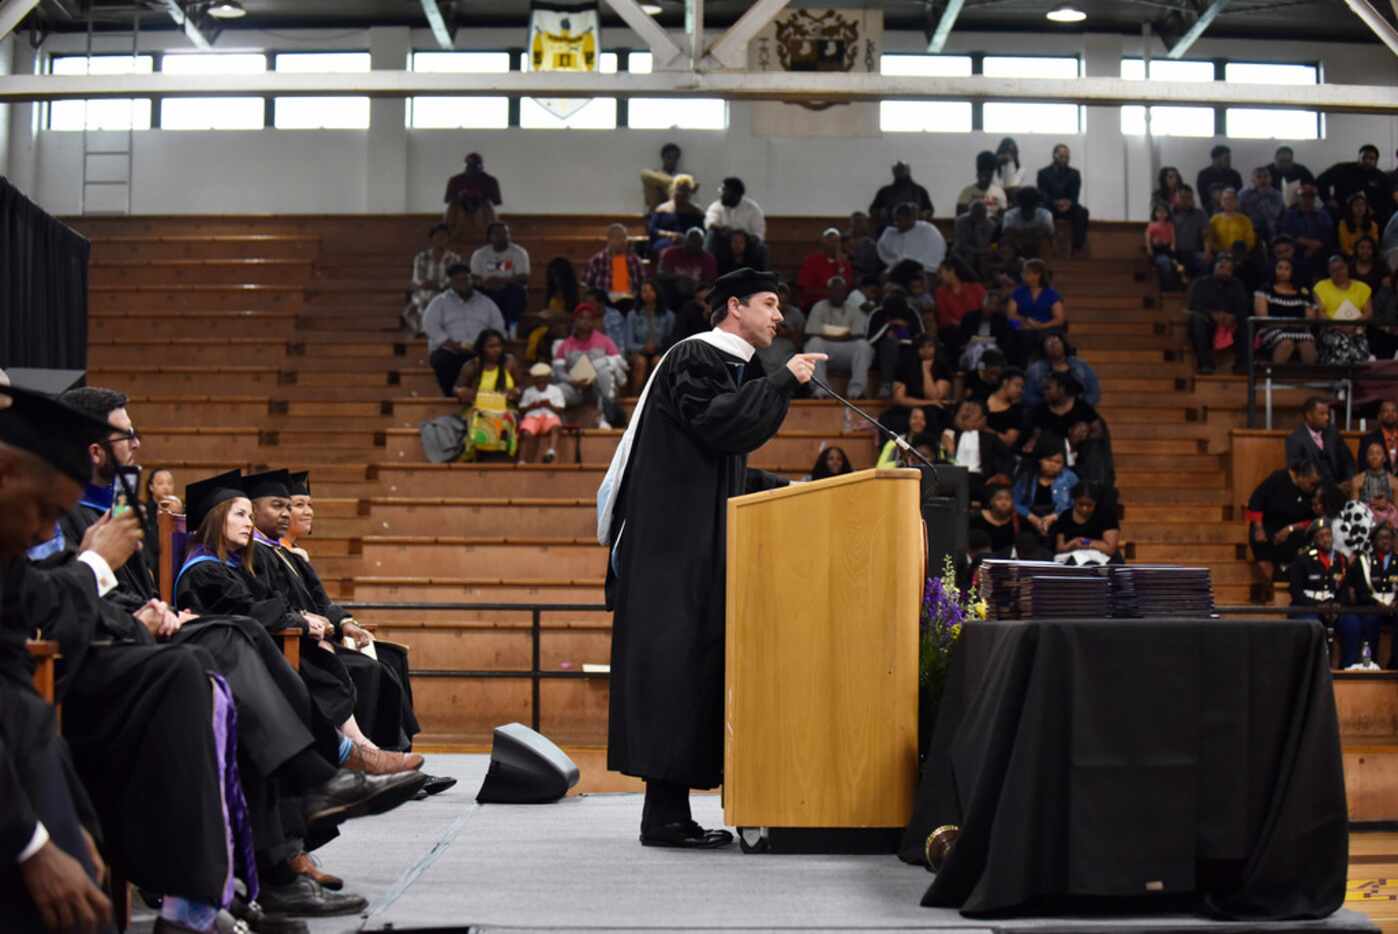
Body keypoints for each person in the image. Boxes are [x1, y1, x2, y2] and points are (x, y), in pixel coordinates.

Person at [597, 266, 826, 848]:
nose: (780, 316)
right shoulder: (696, 358)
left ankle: (673, 814)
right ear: (733, 307)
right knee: (674, 674)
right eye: (770, 304)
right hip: (669, 556)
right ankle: (665, 818)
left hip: (685, 549)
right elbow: (721, 426)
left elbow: (719, 468)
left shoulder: (724, 367)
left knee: (689, 673)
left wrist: (793, 487)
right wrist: (782, 382)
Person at [422, 264, 505, 398]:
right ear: (451, 282)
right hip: (450, 349)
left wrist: (484, 345)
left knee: (496, 359)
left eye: (465, 279)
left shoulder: (486, 302)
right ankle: (453, 398)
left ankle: (484, 398)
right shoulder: (439, 302)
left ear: (471, 280)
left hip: (480, 350)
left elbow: (498, 326)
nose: (462, 283)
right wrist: (451, 344)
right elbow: (430, 325)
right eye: (457, 280)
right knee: (441, 361)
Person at [1247, 458, 1322, 597]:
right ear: (1301, 476)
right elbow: (1256, 500)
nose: (1314, 487)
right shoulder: (1278, 478)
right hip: (1267, 526)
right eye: (1311, 483)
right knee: (1262, 546)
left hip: (1294, 531)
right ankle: (1272, 587)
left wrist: (1291, 528)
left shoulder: (1313, 494)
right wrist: (1258, 528)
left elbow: (1316, 519)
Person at [554, 303, 627, 429]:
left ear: (593, 321)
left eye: (589, 318)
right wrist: (572, 381)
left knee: (604, 370)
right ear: (575, 320)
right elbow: (558, 372)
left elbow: (620, 363)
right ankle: (557, 423)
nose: (585, 321)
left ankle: (605, 418)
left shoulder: (605, 341)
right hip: (575, 388)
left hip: (598, 387)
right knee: (556, 391)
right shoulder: (564, 345)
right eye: (581, 318)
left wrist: (599, 366)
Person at [452, 329, 522, 462]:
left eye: (499, 345)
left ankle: (502, 459)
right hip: (479, 406)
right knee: (482, 418)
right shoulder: (472, 365)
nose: (497, 350)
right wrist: (461, 392)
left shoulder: (510, 362)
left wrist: (515, 391)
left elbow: (522, 386)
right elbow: (456, 388)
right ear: (482, 348)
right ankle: (478, 455)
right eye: (491, 346)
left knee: (505, 419)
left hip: (505, 407)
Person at [804, 277, 873, 400]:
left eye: (841, 291)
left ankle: (856, 392)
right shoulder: (819, 307)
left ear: (845, 292)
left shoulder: (853, 309)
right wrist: (843, 335)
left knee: (863, 345)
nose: (838, 294)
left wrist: (831, 334)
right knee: (813, 343)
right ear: (828, 292)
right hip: (826, 350)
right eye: (834, 290)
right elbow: (811, 333)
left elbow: (858, 335)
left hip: (846, 351)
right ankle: (821, 391)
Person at [1340, 522, 1398, 668]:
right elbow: (1359, 590)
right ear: (1373, 541)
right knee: (1370, 620)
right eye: (1381, 538)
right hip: (1371, 607)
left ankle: (1395, 663)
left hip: (1394, 607)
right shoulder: (1363, 561)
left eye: (1389, 538)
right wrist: (1377, 604)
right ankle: (1370, 663)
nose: (1386, 541)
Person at [1012, 432, 1077, 559]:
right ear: (1040, 459)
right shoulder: (1027, 475)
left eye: (1058, 462)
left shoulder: (1070, 478)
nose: (1053, 465)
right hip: (1030, 524)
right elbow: (1015, 502)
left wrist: (1055, 516)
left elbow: (1074, 503)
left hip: (1058, 524)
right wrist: (1032, 518)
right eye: (1049, 460)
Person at [1185, 254, 1251, 375]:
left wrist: (1233, 316)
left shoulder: (1237, 285)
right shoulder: (1201, 283)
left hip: (1231, 324)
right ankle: (1205, 363)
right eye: (1221, 265)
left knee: (1246, 322)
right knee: (1197, 320)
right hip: (1208, 322)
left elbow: (1243, 306)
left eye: (1228, 266)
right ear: (1214, 267)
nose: (1224, 266)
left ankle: (1243, 364)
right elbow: (1195, 306)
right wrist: (1212, 315)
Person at [941, 398, 1015, 504]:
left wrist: (1000, 475)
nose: (967, 415)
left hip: (980, 479)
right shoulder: (950, 435)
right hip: (954, 475)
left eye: (973, 412)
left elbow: (1008, 457)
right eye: (966, 411)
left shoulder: (990, 438)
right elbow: (944, 459)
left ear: (983, 419)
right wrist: (950, 453)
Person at [1289, 523, 1352, 643]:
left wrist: (1338, 604)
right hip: (1307, 607)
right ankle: (1314, 662)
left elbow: (1344, 588)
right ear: (1314, 540)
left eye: (1328, 535)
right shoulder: (1303, 558)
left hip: (1332, 607)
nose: (1326, 539)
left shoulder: (1341, 559)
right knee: (1313, 627)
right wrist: (1316, 606)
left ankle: (1348, 662)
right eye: (1321, 536)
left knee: (1351, 623)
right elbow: (1295, 591)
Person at [885, 333, 953, 438]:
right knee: (888, 417)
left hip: (933, 410)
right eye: (922, 347)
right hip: (909, 407)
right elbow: (899, 399)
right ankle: (897, 451)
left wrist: (926, 370)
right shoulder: (904, 366)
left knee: (932, 415)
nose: (926, 350)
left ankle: (930, 449)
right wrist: (929, 403)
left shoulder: (942, 367)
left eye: (930, 346)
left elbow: (934, 396)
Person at [1255, 257, 1320, 365]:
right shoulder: (1265, 290)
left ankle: (1308, 379)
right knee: (1286, 342)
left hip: (1299, 329)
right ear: (1274, 270)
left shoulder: (1302, 292)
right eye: (1279, 268)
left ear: (1292, 271)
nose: (1282, 272)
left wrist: (1295, 325)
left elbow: (1310, 318)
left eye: (1286, 268)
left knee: (1307, 342)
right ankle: (1275, 378)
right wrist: (1287, 324)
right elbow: (1263, 318)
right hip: (1272, 329)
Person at [469, 223, 530, 333]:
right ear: (489, 236)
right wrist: (484, 283)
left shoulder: (519, 253)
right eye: (497, 233)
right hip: (486, 289)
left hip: (510, 289)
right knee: (475, 293)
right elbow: (474, 277)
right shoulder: (480, 254)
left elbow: (523, 277)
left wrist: (501, 280)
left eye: (505, 233)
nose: (503, 236)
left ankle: (511, 331)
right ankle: (482, 332)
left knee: (516, 292)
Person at [932, 255, 992, 365]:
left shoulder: (976, 288)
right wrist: (962, 324)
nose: (939, 276)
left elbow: (986, 311)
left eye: (942, 272)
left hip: (977, 328)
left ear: (952, 271)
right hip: (955, 331)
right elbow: (944, 318)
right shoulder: (940, 292)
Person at [1314, 254, 1374, 365]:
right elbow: (1320, 313)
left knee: (1358, 341)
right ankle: (1341, 376)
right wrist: (1340, 326)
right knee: (1340, 341)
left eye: (1341, 268)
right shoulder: (1321, 286)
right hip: (1331, 329)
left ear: (1347, 268)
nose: (1338, 272)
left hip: (1356, 328)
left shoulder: (1362, 287)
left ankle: (1357, 375)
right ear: (1329, 272)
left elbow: (1369, 313)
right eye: (1334, 270)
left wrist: (1353, 324)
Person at [1286, 396, 1358, 487]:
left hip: (1339, 487)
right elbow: (1297, 473)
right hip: (1312, 491)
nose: (1327, 417)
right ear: (1309, 416)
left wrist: (1349, 481)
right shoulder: (1295, 439)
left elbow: (1348, 461)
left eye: (1327, 413)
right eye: (1322, 414)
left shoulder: (1332, 432)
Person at [864, 292, 923, 399]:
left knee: (910, 351)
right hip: (881, 355)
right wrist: (888, 325)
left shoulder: (911, 313)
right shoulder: (878, 313)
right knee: (889, 343)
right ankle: (886, 385)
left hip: (907, 351)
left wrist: (903, 331)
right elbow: (870, 341)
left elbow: (921, 339)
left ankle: (913, 389)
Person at [404, 223, 460, 336]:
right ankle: (424, 331)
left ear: (448, 239)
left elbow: (453, 280)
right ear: (432, 238)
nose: (441, 239)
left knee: (435, 299)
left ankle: (427, 331)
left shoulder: (454, 258)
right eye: (438, 236)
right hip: (423, 292)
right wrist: (427, 284)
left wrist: (439, 286)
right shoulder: (421, 257)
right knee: (412, 309)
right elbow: (418, 279)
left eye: (444, 236)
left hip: (445, 293)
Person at [1317, 144, 1393, 227]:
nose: (1367, 161)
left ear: (1376, 161)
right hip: (1342, 214)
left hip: (1371, 218)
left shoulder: (1381, 178)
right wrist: (1328, 199)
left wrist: (1376, 211)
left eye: (1371, 158)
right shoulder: (1343, 169)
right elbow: (1321, 180)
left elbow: (1388, 200)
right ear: (1358, 157)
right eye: (1364, 157)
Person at [1006, 258, 1066, 361]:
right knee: (1013, 329)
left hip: (1046, 327)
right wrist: (1026, 321)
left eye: (1025, 272)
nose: (1022, 274)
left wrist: (1041, 326)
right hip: (1022, 324)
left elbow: (1059, 319)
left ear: (1037, 275)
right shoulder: (1017, 292)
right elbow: (1011, 315)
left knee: (1043, 337)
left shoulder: (1052, 294)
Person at [704, 177, 767, 272]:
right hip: (724, 242)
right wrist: (724, 230)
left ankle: (757, 281)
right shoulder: (716, 206)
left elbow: (759, 233)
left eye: (724, 190)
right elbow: (710, 222)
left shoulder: (752, 209)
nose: (721, 193)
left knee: (761, 247)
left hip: (746, 244)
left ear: (735, 194)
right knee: (711, 236)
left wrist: (743, 238)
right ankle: (711, 278)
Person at [1036, 143, 1089, 255]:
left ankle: (1077, 247)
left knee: (1083, 212)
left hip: (1068, 207)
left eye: (1067, 157)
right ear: (1054, 156)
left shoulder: (1074, 173)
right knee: (1041, 211)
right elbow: (1043, 195)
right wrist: (1056, 202)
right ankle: (1045, 247)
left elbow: (1075, 195)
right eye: (1062, 156)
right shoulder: (1043, 173)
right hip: (1051, 206)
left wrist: (1068, 203)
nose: (1065, 159)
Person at [625, 280, 676, 395]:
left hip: (660, 350)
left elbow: (670, 340)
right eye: (644, 291)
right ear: (640, 294)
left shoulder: (668, 315)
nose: (647, 294)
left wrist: (658, 349)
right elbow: (628, 343)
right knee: (640, 362)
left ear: (657, 293)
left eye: (651, 290)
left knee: (658, 361)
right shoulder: (633, 315)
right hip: (638, 351)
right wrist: (643, 348)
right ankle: (635, 398)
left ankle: (657, 399)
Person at [1023, 334, 1100, 408]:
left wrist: (1080, 407)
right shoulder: (1036, 369)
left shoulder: (1081, 365)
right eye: (1050, 344)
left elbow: (1093, 392)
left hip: (1079, 410)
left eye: (1056, 342)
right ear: (1043, 348)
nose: (1054, 346)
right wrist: (1048, 408)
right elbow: (1029, 396)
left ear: (1064, 344)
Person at [1280, 184, 1336, 285]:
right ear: (1298, 198)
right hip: (1296, 250)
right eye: (1304, 196)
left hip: (1320, 250)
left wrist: (1314, 247)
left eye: (1311, 197)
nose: (1307, 199)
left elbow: (1328, 234)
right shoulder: (1290, 214)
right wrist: (1306, 243)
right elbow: (1286, 234)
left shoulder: (1323, 214)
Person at [1053, 481, 1121, 564]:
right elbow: (1060, 548)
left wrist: (1087, 542)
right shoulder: (1065, 516)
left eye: (1089, 505)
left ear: (1095, 502)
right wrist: (1072, 544)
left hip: (1101, 559)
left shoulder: (1107, 515)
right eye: (1080, 504)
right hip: (1072, 559)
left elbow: (1110, 549)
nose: (1084, 509)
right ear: (1074, 500)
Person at [442, 152, 502, 243]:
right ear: (466, 166)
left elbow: (497, 201)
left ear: (481, 166)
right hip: (459, 210)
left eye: (475, 166)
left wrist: (481, 195)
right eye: (470, 166)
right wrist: (460, 195)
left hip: (483, 210)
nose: (472, 169)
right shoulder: (455, 180)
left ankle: (489, 236)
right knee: (453, 206)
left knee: (486, 204)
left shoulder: (490, 180)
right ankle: (449, 235)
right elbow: (447, 199)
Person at [583, 224, 644, 307]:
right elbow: (587, 288)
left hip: (628, 306)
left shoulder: (635, 261)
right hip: (602, 306)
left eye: (624, 237)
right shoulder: (596, 260)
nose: (622, 241)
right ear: (609, 239)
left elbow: (642, 287)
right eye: (618, 237)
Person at [657, 227, 718, 310]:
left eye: (696, 244)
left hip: (697, 293)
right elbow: (660, 273)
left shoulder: (708, 259)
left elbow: (711, 282)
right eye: (691, 242)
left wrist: (696, 285)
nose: (693, 246)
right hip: (674, 291)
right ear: (685, 241)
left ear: (702, 244)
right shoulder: (670, 253)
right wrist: (678, 277)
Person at [876, 202, 946, 273]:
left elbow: (932, 259)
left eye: (899, 220)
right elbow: (886, 255)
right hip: (898, 271)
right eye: (894, 220)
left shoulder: (928, 231)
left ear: (911, 218)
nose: (895, 223)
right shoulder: (890, 233)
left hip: (924, 271)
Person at [518, 363, 566, 464]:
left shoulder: (556, 390)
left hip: (549, 415)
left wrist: (549, 405)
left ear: (548, 378)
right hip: (533, 416)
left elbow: (561, 408)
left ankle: (551, 451)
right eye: (537, 379)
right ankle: (522, 460)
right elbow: (521, 408)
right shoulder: (528, 391)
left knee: (556, 426)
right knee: (526, 433)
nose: (540, 381)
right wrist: (532, 406)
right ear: (533, 379)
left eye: (543, 378)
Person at [647, 175, 705, 255]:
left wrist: (685, 238)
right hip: (664, 241)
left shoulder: (695, 212)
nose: (682, 193)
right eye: (679, 190)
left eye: (685, 191)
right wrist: (669, 234)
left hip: (688, 243)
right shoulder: (662, 209)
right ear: (673, 190)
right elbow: (652, 229)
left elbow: (701, 232)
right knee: (667, 249)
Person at [796, 228, 855, 308]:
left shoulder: (845, 264)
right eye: (830, 241)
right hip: (816, 304)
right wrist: (829, 294)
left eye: (836, 241)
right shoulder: (811, 261)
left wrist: (840, 264)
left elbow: (846, 287)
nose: (833, 245)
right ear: (823, 243)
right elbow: (805, 288)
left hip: (841, 305)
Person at [869, 161, 934, 232]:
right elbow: (873, 210)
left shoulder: (919, 191)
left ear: (908, 171)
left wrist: (923, 214)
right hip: (891, 229)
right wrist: (881, 212)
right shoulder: (884, 192)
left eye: (902, 170)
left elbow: (929, 210)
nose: (900, 172)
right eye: (898, 170)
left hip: (915, 230)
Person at [1206, 188, 1258, 270]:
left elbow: (1250, 241)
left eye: (1231, 199)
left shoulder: (1245, 220)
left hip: (1240, 257)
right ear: (1221, 202)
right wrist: (1221, 251)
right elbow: (1209, 239)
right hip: (1220, 257)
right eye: (1225, 199)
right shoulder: (1214, 220)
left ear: (1237, 201)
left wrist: (1237, 252)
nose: (1228, 201)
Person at [999, 187, 1055, 262]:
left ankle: (1043, 267)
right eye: (1025, 204)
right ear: (1020, 204)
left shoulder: (1045, 215)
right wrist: (1033, 232)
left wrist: (1021, 233)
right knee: (1005, 242)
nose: (1028, 206)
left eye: (1031, 204)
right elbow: (1007, 234)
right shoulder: (1010, 215)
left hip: (1037, 247)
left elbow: (1049, 234)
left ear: (1036, 204)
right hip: (1017, 247)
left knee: (1044, 241)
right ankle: (1009, 267)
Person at [142, 465, 178, 577]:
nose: (166, 487)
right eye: (160, 483)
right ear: (151, 487)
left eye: (169, 483)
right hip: (151, 565)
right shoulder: (144, 511)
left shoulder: (180, 510)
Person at [1171, 186, 1211, 284]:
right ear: (1176, 198)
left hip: (1194, 252)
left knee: (1205, 261)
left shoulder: (1200, 214)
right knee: (1168, 264)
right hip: (1175, 254)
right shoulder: (1169, 214)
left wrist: (1207, 252)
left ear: (1192, 199)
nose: (1185, 200)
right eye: (1182, 197)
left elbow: (1206, 235)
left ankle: (1200, 290)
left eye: (1188, 198)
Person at [970, 484, 1023, 558]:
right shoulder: (977, 518)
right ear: (991, 501)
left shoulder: (1016, 521)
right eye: (999, 499)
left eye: (1008, 499)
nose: (1004, 503)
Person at [952, 200, 998, 281]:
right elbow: (962, 244)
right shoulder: (961, 221)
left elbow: (990, 244)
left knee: (984, 258)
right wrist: (979, 251)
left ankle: (982, 282)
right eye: (976, 214)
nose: (979, 216)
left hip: (983, 252)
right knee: (968, 257)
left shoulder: (991, 225)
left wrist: (978, 229)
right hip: (962, 251)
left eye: (981, 214)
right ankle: (971, 281)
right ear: (970, 212)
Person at [984, 367, 1027, 451]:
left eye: (1022, 387)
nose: (1020, 390)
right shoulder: (982, 397)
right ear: (1005, 382)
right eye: (1017, 385)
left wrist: (984, 429)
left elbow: (1009, 441)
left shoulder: (1016, 411)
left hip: (996, 451)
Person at [956, 151, 1007, 219]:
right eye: (983, 174)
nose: (985, 179)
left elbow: (1003, 218)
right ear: (978, 174)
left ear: (992, 174)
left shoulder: (999, 192)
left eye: (989, 175)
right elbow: (960, 219)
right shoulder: (966, 192)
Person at [1240, 166, 1285, 243]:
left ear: (1270, 179)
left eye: (1266, 176)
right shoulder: (1244, 194)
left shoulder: (1276, 195)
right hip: (1250, 230)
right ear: (1252, 180)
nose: (1263, 180)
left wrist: (1263, 195)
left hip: (1270, 231)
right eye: (1259, 177)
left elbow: (1273, 214)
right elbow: (1239, 212)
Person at [1146, 202, 1183, 291]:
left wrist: (1173, 246)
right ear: (1155, 213)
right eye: (1159, 212)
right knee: (1165, 263)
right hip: (1158, 251)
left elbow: (1173, 237)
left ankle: (1179, 285)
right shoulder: (1152, 225)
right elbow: (1148, 238)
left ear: (1167, 214)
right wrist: (1150, 249)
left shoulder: (1170, 225)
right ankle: (1167, 288)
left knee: (1179, 266)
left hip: (1169, 250)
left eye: (1163, 212)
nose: (1161, 214)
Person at [1196, 145, 1243, 216]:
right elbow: (1204, 199)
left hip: (1232, 214)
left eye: (1229, 158)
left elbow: (1239, 195)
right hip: (1211, 213)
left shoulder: (1234, 175)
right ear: (1215, 159)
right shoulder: (1204, 175)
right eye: (1226, 158)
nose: (1229, 161)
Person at [641, 142, 685, 213]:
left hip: (675, 214)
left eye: (675, 158)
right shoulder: (653, 175)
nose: (672, 161)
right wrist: (674, 184)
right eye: (669, 157)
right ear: (663, 157)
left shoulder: (681, 177)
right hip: (655, 212)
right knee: (645, 174)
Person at [1361, 400, 1398, 472]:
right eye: (1385, 411)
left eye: (1394, 411)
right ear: (1379, 416)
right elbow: (1363, 468)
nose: (1390, 414)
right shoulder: (1367, 440)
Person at [845, 211, 882, 283]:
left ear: (866, 224)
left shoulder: (871, 242)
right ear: (850, 224)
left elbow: (870, 266)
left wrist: (852, 256)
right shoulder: (843, 240)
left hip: (863, 275)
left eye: (860, 221)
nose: (857, 224)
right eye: (855, 221)